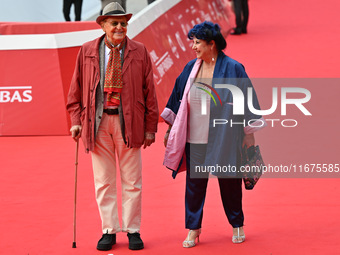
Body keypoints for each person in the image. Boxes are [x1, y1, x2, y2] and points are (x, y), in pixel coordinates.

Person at [161, 21, 265, 248]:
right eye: (193, 42)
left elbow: (246, 99)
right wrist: (171, 129)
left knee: (229, 182)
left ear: (212, 44)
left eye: (197, 43)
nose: (193, 47)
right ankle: (193, 228)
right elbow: (177, 98)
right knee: (195, 184)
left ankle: (237, 223)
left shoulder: (234, 68)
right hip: (195, 138)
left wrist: (249, 134)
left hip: (225, 136)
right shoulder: (191, 68)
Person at [66, 2, 159, 251]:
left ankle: (133, 230)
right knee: (104, 181)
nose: (120, 27)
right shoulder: (86, 51)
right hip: (96, 123)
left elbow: (150, 92)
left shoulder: (139, 50)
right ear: (103, 25)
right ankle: (108, 230)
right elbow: (75, 91)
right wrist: (76, 122)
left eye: (123, 23)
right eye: (115, 23)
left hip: (129, 122)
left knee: (132, 180)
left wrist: (151, 127)